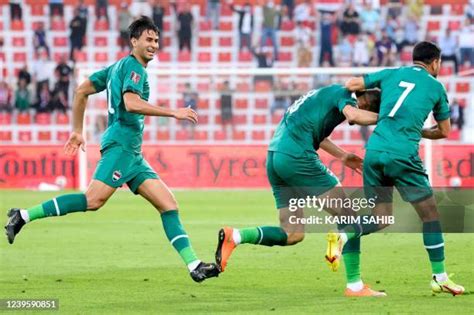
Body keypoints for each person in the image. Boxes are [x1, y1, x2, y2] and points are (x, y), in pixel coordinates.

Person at [4, 16, 220, 283]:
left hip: (132, 153)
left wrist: (77, 130)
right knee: (92, 200)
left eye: (156, 40)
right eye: (148, 39)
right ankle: (22, 215)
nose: (154, 44)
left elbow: (82, 90)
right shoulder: (135, 69)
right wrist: (173, 112)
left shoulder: (116, 67)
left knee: (168, 204)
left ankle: (194, 264)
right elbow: (131, 103)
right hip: (121, 147)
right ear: (134, 41)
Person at [215, 84, 386, 297]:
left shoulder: (325, 94)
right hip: (297, 157)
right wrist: (386, 118)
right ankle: (355, 285)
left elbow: (317, 134)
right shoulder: (346, 97)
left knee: (292, 233)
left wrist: (342, 155)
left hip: (275, 158)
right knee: (349, 217)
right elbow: (353, 114)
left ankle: (236, 236)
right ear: (367, 103)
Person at [343, 41, 464, 295]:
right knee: (430, 215)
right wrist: (417, 130)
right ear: (434, 63)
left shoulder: (392, 73)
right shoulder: (436, 87)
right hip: (402, 154)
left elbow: (351, 85)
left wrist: (370, 108)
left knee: (381, 217)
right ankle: (440, 277)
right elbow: (444, 131)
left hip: (374, 151)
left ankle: (347, 232)